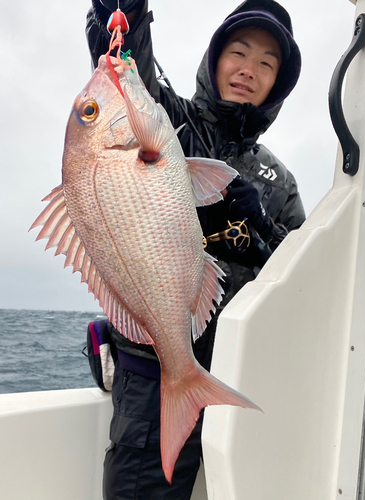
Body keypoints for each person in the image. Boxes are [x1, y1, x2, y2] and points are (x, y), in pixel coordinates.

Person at [86, 0, 306, 498]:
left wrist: (263, 234)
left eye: (267, 64)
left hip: (241, 372)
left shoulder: (279, 180)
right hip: (153, 369)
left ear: (279, 84)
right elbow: (126, 70)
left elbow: (302, 276)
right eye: (239, 52)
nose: (249, 70)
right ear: (215, 59)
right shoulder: (168, 120)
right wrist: (122, 16)